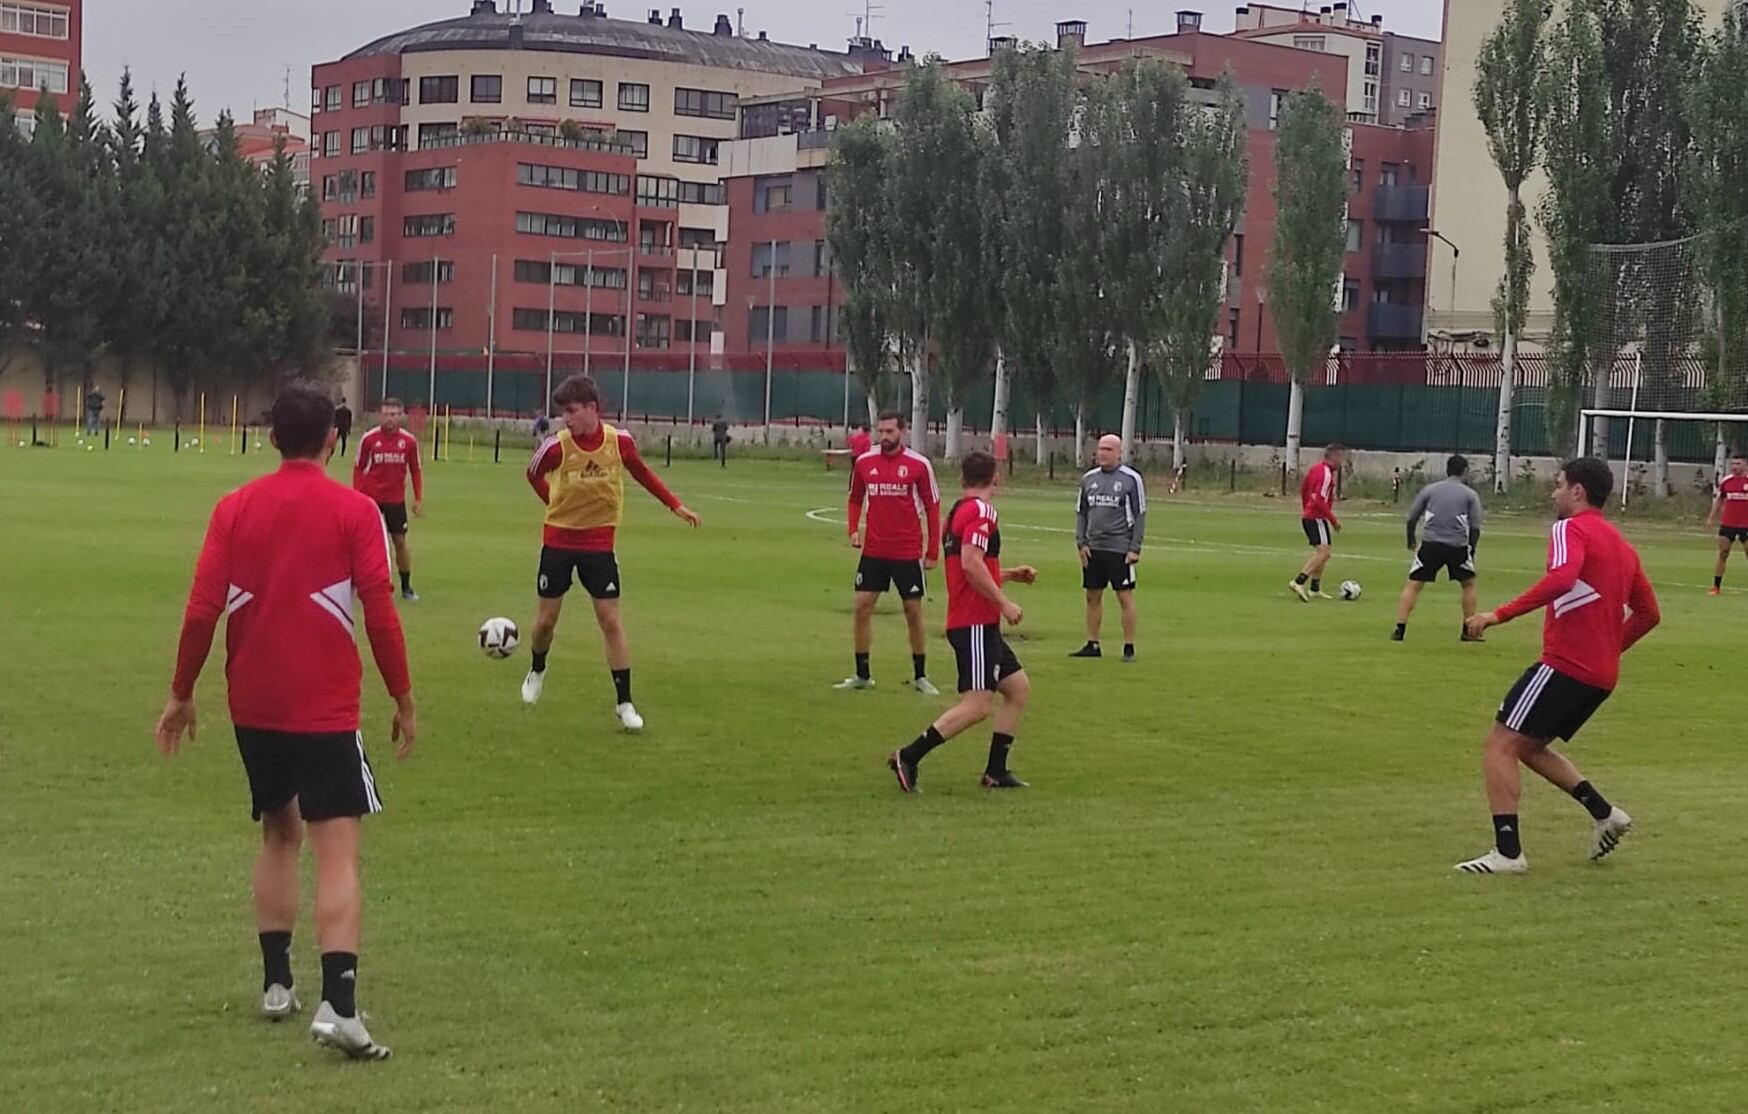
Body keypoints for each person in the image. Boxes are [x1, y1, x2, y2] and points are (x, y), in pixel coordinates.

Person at [153, 384, 415, 1060]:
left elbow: (201, 610)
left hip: (254, 703)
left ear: (271, 436)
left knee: (278, 829)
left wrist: (181, 693)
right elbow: (381, 615)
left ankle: (277, 985)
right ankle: (340, 1005)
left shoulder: (234, 508)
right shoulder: (354, 511)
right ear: (333, 438)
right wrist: (403, 698)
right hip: (324, 705)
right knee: (337, 849)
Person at [1454, 458, 1659, 875]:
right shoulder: (1622, 545)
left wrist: (1498, 615)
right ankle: (1606, 814)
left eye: (1558, 485)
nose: (1553, 493)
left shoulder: (1570, 529)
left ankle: (1508, 854)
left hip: (1567, 664)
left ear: (1578, 491)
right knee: (1529, 746)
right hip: (1600, 674)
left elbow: (1563, 578)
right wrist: (1607, 649)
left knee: (1499, 744)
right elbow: (1648, 613)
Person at [523, 375, 701, 731]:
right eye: (563, 414)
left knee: (610, 621)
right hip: (558, 542)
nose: (566, 419)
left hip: (599, 544)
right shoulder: (556, 447)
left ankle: (625, 703)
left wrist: (675, 506)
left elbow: (642, 473)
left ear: (592, 408)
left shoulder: (618, 442)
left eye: (571, 411)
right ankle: (537, 668)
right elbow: (533, 474)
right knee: (546, 622)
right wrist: (553, 502)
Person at [887, 450, 1038, 793]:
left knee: (1018, 689)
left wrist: (1010, 575)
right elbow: (971, 564)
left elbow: (966, 567)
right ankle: (909, 756)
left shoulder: (958, 510)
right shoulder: (983, 512)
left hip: (975, 621)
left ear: (962, 479)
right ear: (996, 479)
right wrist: (1004, 604)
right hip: (974, 624)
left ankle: (995, 771)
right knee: (977, 705)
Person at [837, 411, 942, 694]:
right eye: (880, 431)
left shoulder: (919, 465)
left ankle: (921, 675)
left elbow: (933, 507)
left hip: (907, 552)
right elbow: (855, 498)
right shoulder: (864, 462)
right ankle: (862, 674)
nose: (884, 437)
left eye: (889, 432)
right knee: (861, 608)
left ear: (902, 432)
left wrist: (933, 550)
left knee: (913, 611)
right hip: (874, 550)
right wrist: (852, 530)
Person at [1393, 454, 1485, 642]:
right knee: (1468, 584)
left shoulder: (1430, 490)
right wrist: (1471, 549)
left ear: (1447, 470)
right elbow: (1475, 527)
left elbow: (1412, 517)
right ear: (1465, 471)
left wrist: (1410, 539)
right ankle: (1468, 631)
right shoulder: (1469, 494)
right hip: (1457, 546)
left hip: (1430, 544)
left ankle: (1399, 629)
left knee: (1414, 584)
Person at [1071, 434, 1146, 663]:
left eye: (1108, 449)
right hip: (1094, 548)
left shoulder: (1131, 479)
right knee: (1092, 595)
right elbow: (1081, 512)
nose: (1102, 453)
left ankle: (1129, 647)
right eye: (1100, 449)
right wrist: (1081, 543)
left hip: (1119, 549)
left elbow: (1140, 514)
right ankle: (1093, 644)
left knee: (1124, 597)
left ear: (1119, 452)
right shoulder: (1088, 479)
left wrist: (1135, 548)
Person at [352, 399, 423, 602]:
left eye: (394, 414)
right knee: (365, 544)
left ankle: (406, 586)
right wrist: (358, 495)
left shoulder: (408, 442)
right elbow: (358, 467)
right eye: (386, 414)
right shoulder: (369, 439)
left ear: (401, 416)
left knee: (400, 542)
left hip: (395, 501)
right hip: (371, 499)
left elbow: (416, 470)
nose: (390, 418)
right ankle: (360, 585)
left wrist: (418, 498)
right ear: (380, 415)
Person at [1289, 444, 1345, 601]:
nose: (1342, 460)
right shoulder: (1326, 474)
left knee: (1324, 553)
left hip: (1312, 516)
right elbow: (1320, 499)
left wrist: (1306, 508)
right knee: (1324, 552)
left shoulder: (1316, 469)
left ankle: (1315, 588)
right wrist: (1333, 520)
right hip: (1316, 517)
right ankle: (1299, 581)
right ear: (1333, 456)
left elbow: (1304, 488)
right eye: (1341, 456)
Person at [1704, 453, 1748, 595]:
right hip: (1728, 524)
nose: (1735, 467)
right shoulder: (1726, 481)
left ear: (1745, 465)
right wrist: (1711, 518)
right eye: (1733, 464)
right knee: (1723, 553)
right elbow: (1720, 500)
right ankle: (1716, 587)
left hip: (1746, 525)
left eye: (1738, 464)